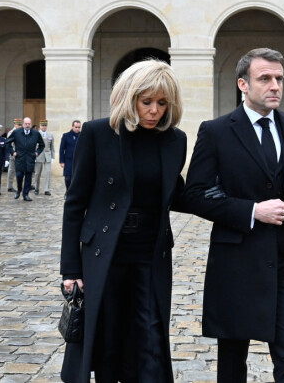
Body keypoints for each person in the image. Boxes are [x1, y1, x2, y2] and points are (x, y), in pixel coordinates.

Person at [183, 48, 284, 383]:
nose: (275, 86)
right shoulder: (215, 131)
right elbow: (196, 195)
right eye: (265, 78)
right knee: (232, 361)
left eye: (279, 79)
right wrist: (253, 211)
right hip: (237, 261)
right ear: (243, 84)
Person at [60, 59, 187, 383]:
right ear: (129, 98)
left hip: (150, 253)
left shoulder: (175, 139)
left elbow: (182, 194)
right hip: (106, 253)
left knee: (150, 338)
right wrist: (70, 270)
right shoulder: (98, 133)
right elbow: (75, 204)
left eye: (162, 103)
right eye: (147, 102)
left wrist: (248, 210)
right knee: (109, 339)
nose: (155, 110)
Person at [5, 117, 45, 201]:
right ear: (23, 124)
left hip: (30, 158)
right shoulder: (16, 132)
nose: (27, 125)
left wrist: (37, 153)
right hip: (19, 158)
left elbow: (42, 145)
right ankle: (19, 190)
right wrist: (13, 152)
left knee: (28, 177)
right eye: (26, 124)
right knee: (19, 175)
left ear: (31, 124)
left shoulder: (36, 133)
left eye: (29, 124)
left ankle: (25, 194)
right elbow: (7, 143)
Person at [33, 119, 55, 196]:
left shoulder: (50, 135)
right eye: (42, 125)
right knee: (37, 173)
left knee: (48, 173)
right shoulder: (36, 134)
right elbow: (33, 146)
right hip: (38, 155)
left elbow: (52, 147)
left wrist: (53, 157)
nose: (44, 127)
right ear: (40, 126)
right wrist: (34, 156)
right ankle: (36, 188)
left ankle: (46, 189)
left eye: (45, 125)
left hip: (47, 156)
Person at [59, 120, 81, 191]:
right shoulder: (66, 136)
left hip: (79, 160)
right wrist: (62, 161)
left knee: (77, 178)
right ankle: (68, 191)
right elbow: (62, 149)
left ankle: (75, 193)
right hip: (68, 160)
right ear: (72, 127)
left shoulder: (82, 136)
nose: (77, 129)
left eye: (79, 127)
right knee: (68, 178)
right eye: (76, 127)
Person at [6, 118, 23, 192]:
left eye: (20, 125)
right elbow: (9, 144)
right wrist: (12, 152)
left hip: (21, 154)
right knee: (11, 170)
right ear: (14, 124)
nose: (19, 126)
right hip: (14, 153)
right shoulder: (11, 132)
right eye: (18, 125)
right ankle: (9, 186)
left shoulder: (22, 132)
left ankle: (20, 186)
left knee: (22, 170)